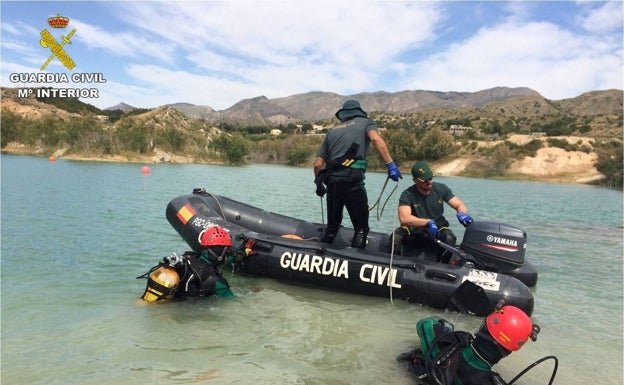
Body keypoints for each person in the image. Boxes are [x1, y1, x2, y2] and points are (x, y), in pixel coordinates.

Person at [313, 100, 402, 249]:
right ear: (359, 111)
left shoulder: (332, 131)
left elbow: (317, 164)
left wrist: (319, 184)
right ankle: (354, 262)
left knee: (331, 229)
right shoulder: (367, 123)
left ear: (343, 114)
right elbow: (375, 138)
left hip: (332, 182)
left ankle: (318, 256)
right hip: (352, 179)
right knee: (361, 229)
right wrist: (390, 164)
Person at [397, 305, 540, 385]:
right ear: (508, 352)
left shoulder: (445, 346)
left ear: (483, 329)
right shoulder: (491, 382)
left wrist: (449, 331)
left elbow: (425, 324)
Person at [395, 161, 473, 261]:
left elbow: (459, 205)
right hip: (414, 231)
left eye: (430, 178)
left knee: (450, 237)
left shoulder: (441, 189)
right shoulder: (407, 194)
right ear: (415, 181)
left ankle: (442, 267)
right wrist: (428, 222)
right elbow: (404, 218)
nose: (429, 182)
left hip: (437, 230)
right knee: (396, 237)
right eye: (425, 180)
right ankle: (395, 264)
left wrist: (461, 213)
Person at [138, 226, 240, 301]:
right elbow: (234, 302)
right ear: (220, 253)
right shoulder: (215, 281)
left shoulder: (191, 258)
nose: (228, 255)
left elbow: (221, 260)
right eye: (227, 251)